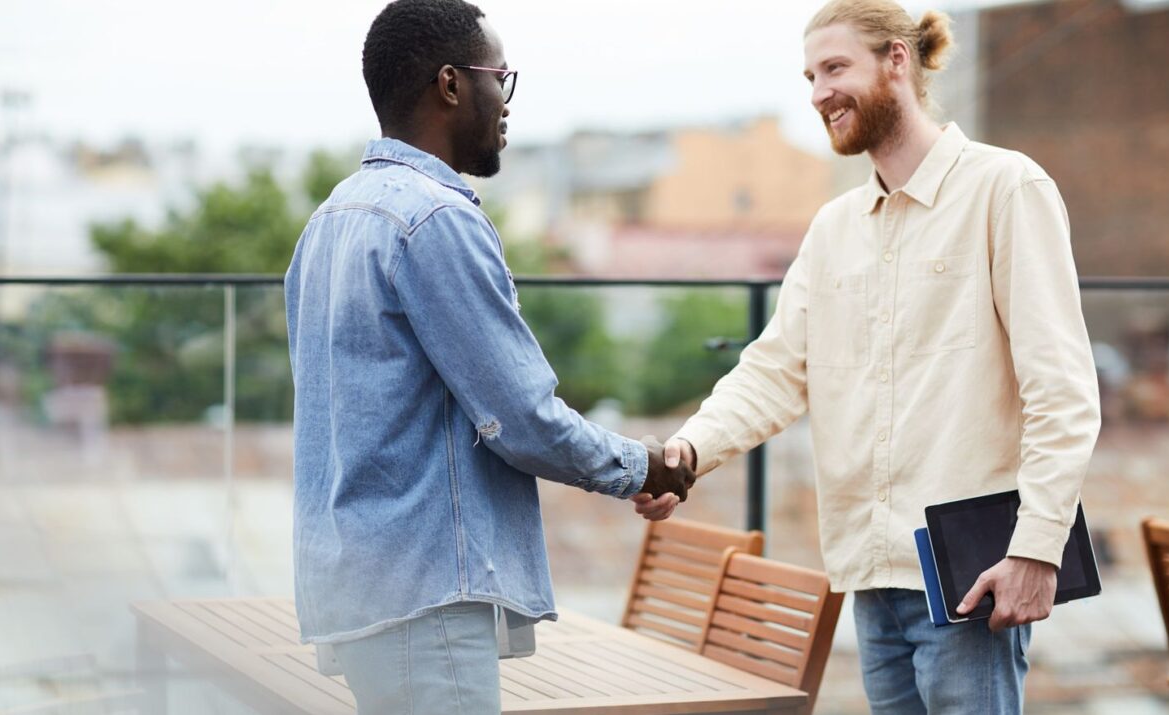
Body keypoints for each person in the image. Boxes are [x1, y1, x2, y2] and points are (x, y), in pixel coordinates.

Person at [656, 1, 1101, 711]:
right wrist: (683, 454)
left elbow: (1064, 392)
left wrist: (1036, 549)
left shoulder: (1005, 188)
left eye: (835, 68)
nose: (818, 93)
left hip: (972, 578)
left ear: (899, 60)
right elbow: (775, 371)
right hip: (869, 575)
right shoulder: (833, 229)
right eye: (808, 76)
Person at [284, 1, 693, 712]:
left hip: (358, 586)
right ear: (450, 84)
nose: (505, 100)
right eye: (498, 77)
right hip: (423, 591)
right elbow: (522, 418)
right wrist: (643, 465)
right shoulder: (435, 218)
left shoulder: (331, 219)